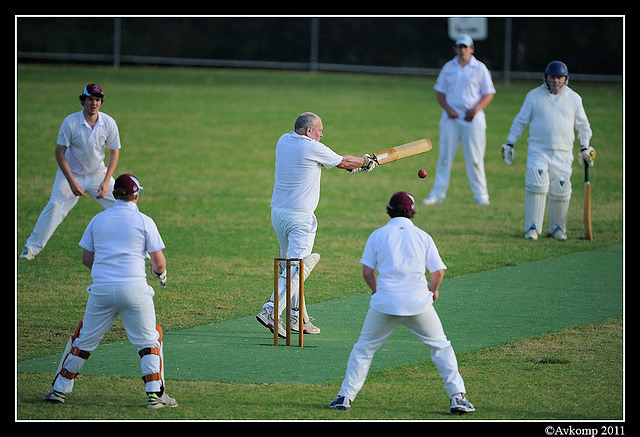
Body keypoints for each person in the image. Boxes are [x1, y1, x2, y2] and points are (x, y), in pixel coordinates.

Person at [329, 191, 475, 414]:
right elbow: (438, 271)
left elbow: (367, 272)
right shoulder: (422, 236)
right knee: (441, 347)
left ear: (389, 210)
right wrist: (433, 290)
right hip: (418, 303)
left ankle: (344, 397)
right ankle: (457, 397)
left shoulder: (377, 235)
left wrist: (378, 291)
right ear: (412, 211)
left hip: (384, 305)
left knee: (363, 349)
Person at [43, 174, 177, 409]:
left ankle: (58, 389)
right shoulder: (145, 221)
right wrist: (160, 275)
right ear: (136, 195)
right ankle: (155, 395)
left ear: (114, 194)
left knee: (83, 341)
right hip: (135, 290)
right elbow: (159, 263)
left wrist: (106, 273)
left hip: (101, 290)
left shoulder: (98, 219)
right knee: (149, 341)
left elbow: (86, 258)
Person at [256, 112, 377, 337]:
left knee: (289, 267)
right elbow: (344, 162)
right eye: (319, 130)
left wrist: (358, 164)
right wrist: (367, 162)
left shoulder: (283, 140)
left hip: (278, 214)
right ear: (309, 131)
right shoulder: (310, 147)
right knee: (296, 269)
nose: (322, 134)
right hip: (300, 219)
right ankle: (271, 310)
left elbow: (342, 163)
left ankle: (298, 318)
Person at [19, 83, 121, 260]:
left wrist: (106, 181)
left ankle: (143, 249)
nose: (94, 103)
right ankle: (31, 248)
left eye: (97, 100)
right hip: (71, 175)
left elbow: (114, 152)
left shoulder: (109, 123)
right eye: (90, 99)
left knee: (124, 204)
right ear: (83, 101)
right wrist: (72, 182)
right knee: (55, 205)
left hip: (98, 174)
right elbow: (59, 152)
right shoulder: (71, 122)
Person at [501, 61, 595, 240]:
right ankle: (532, 228)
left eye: (559, 78)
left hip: (563, 152)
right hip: (538, 149)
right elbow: (520, 121)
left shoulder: (574, 98)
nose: (555, 81)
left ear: (565, 79)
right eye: (552, 77)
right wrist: (510, 143)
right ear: (546, 77)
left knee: (561, 188)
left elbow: (583, 125)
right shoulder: (534, 96)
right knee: (536, 184)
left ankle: (558, 228)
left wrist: (585, 146)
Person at [422, 34, 495, 206]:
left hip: (473, 120)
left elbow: (488, 93)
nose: (462, 50)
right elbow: (440, 92)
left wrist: (475, 110)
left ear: (471, 49)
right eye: (459, 47)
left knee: (475, 159)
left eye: (465, 47)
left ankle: (481, 195)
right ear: (456, 48)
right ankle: (437, 194)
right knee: (445, 157)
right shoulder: (449, 67)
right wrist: (448, 109)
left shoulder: (480, 68)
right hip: (450, 118)